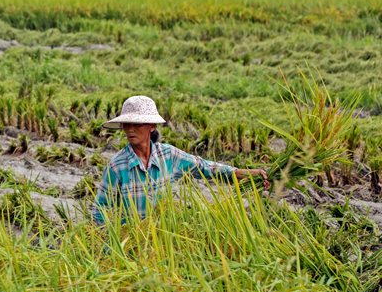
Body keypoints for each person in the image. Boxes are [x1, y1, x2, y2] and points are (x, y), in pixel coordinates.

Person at [93, 95, 268, 225]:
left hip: (165, 240)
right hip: (131, 242)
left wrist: (243, 174)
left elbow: (204, 167)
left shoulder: (169, 156)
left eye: (137, 124)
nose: (130, 130)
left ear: (151, 126)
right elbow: (100, 210)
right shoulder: (117, 165)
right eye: (127, 124)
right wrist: (114, 241)